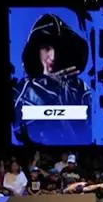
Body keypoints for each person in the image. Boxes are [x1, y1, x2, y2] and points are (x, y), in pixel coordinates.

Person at [12, 13, 92, 145]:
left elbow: (87, 137)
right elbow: (17, 134)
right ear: (36, 51)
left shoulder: (81, 90)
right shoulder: (20, 92)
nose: (53, 57)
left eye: (58, 48)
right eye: (46, 48)